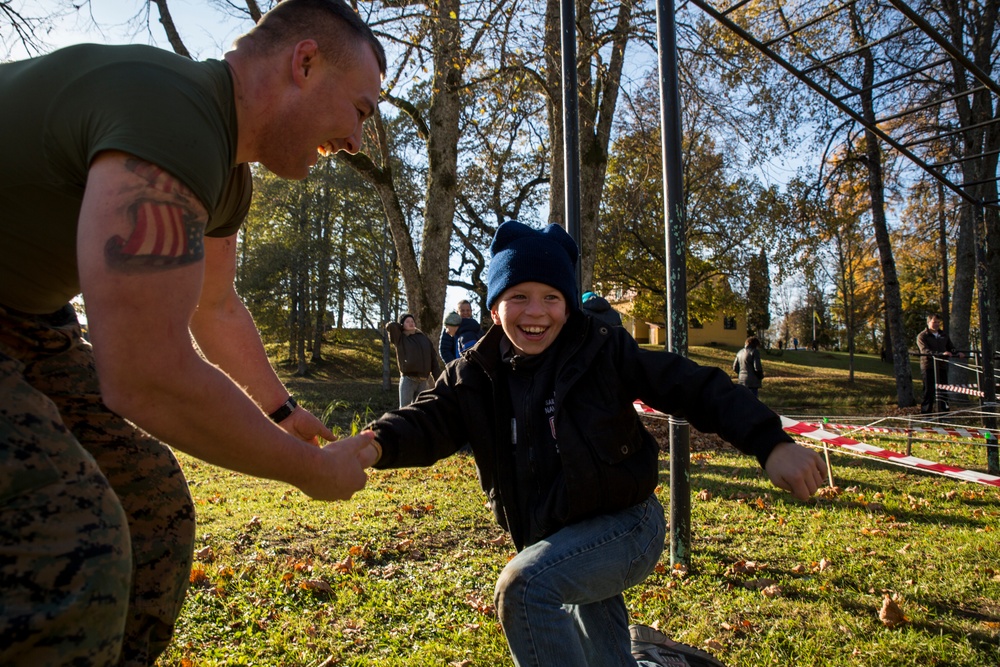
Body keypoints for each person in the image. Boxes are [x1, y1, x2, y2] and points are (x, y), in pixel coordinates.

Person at [0, 2, 385, 664]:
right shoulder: (169, 111)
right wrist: (310, 471)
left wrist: (282, 409)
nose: (356, 141)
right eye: (360, 110)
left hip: (29, 315)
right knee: (70, 536)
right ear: (305, 62)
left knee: (152, 507)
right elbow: (145, 376)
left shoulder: (226, 175)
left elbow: (216, 306)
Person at [365, 220, 827, 667]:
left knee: (526, 588)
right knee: (600, 652)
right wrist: (372, 444)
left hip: (627, 525)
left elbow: (694, 387)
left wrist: (770, 443)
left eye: (552, 297)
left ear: (569, 306)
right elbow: (426, 421)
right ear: (493, 308)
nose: (536, 312)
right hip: (558, 536)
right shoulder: (474, 374)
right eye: (518, 297)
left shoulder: (602, 350)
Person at [386, 313, 441, 407]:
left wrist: (438, 380)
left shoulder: (423, 338)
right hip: (408, 379)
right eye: (407, 322)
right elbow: (391, 326)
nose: (411, 323)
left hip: (423, 381)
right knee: (405, 409)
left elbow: (433, 360)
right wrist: (401, 325)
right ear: (402, 325)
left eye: (412, 321)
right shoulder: (400, 338)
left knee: (420, 410)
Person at [916, 313, 965, 413]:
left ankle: (944, 413)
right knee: (929, 391)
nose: (937, 324)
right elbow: (925, 351)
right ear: (928, 322)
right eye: (934, 322)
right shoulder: (923, 336)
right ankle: (926, 414)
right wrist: (940, 354)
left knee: (943, 390)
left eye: (938, 322)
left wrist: (957, 353)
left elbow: (950, 347)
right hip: (928, 366)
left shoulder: (943, 335)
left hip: (942, 366)